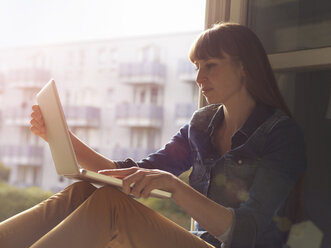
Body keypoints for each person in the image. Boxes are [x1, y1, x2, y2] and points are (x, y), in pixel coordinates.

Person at [0, 22, 306, 248]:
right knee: (86, 193)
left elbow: (245, 233)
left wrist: (174, 186)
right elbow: (128, 175)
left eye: (210, 66)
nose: (199, 77)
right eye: (197, 67)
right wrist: (61, 136)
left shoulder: (282, 136)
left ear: (244, 68)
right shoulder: (202, 124)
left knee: (111, 205)